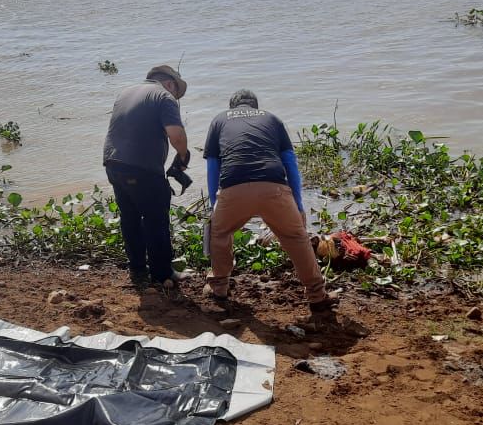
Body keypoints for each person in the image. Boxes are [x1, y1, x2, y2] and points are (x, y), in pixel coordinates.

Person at [202, 90, 335, 316]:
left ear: (232, 106)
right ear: (255, 106)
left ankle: (219, 288)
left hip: (233, 189)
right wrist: (298, 204)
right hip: (274, 187)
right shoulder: (272, 118)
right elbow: (290, 164)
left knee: (220, 233)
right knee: (296, 238)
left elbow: (213, 166)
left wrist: (215, 204)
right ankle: (317, 295)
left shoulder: (219, 119)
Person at [103, 64, 190, 290]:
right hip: (141, 168)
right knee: (155, 219)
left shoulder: (126, 93)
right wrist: (183, 156)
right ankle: (162, 274)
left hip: (113, 163)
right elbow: (176, 135)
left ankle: (138, 269)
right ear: (170, 84)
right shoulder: (164, 96)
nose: (175, 97)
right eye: (176, 93)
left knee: (130, 216)